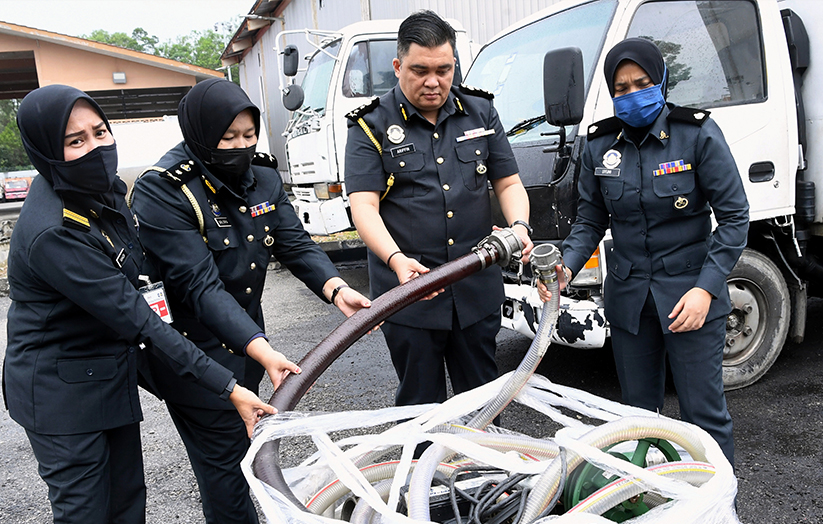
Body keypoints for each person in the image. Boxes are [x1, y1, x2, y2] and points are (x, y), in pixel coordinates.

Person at [2, 85, 281, 524]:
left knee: (127, 503)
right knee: (86, 512)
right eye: (75, 142)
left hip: (110, 374)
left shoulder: (100, 192)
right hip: (62, 394)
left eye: (100, 132)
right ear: (45, 151)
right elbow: (140, 320)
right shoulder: (55, 231)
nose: (95, 147)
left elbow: (152, 281)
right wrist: (228, 387)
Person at [129, 78, 371, 524]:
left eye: (249, 135)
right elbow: (199, 286)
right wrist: (264, 350)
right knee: (225, 468)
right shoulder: (164, 190)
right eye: (227, 138)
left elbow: (293, 242)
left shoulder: (260, 175)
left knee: (246, 457)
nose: (241, 147)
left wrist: (336, 288)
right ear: (200, 134)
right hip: (193, 355)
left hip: (246, 347)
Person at [542, 38, 749, 466]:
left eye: (642, 82)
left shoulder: (696, 135)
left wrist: (706, 290)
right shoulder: (600, 144)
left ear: (662, 82)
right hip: (630, 300)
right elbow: (589, 221)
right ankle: (646, 501)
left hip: (690, 297)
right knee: (636, 419)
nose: (632, 93)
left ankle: (717, 506)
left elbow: (734, 218)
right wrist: (565, 267)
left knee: (703, 419)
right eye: (621, 87)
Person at [345, 10, 533, 414]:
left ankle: (484, 474)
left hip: (474, 288)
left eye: (444, 70)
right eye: (420, 70)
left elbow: (508, 183)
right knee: (420, 407)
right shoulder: (370, 126)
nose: (434, 82)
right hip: (409, 293)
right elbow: (363, 206)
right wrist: (396, 259)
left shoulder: (480, 113)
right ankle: (424, 475)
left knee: (484, 402)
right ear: (398, 66)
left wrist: (519, 226)